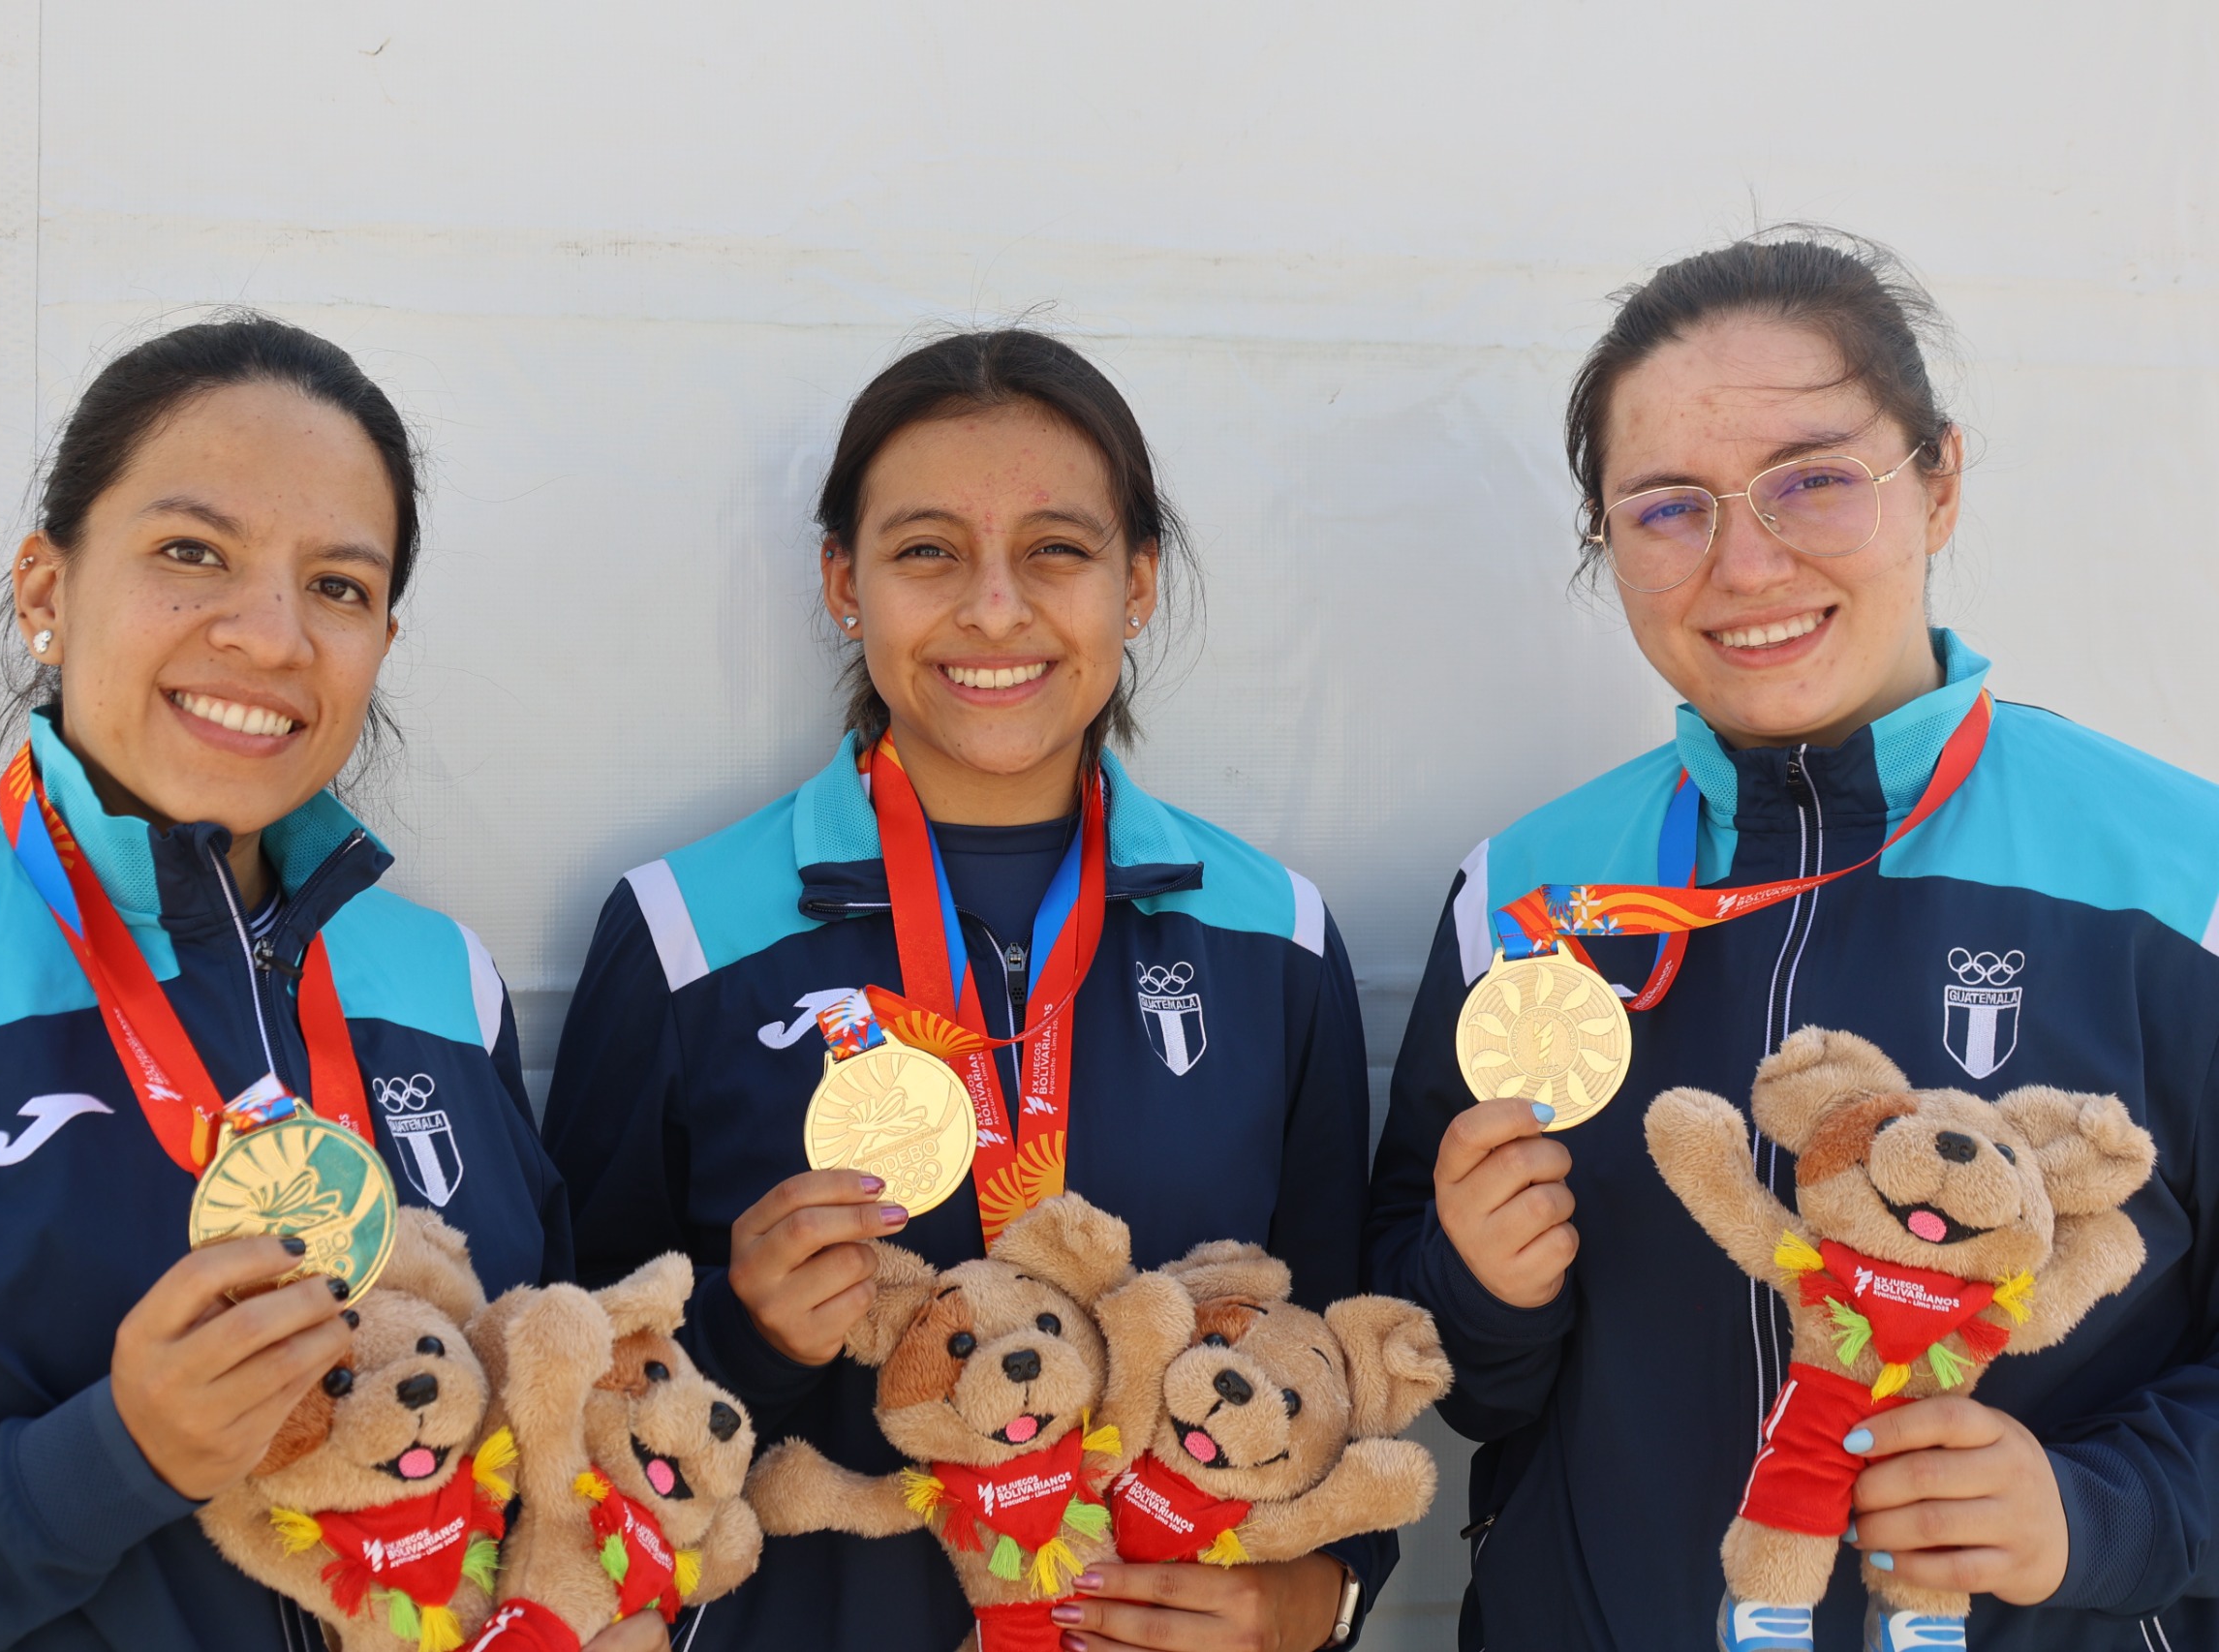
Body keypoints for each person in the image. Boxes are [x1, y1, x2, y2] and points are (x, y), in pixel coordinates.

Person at [0, 315, 663, 1652]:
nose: (272, 635)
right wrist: (112, 1460)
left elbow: (547, 1442)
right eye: (193, 553)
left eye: (338, 586)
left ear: (381, 641)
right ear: (46, 590)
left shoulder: (440, 978)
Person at [1366, 230, 2219, 1652]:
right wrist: (1474, 1288)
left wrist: (2100, 1510)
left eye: (1815, 479)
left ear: (1939, 483)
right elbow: (1449, 1366)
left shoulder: (2179, 879)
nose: (1745, 561)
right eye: (1667, 507)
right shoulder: (1528, 891)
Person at [545, 328, 1385, 1652]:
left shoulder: (1273, 935)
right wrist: (746, 1336)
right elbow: (555, 1388)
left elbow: (1345, 1349)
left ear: (1139, 580)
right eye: (927, 550)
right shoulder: (680, 936)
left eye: (1058, 549)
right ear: (843, 582)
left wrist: (1312, 1600)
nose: (995, 608)